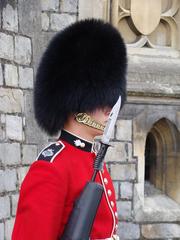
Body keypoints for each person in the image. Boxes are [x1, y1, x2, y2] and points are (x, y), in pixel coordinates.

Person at [12, 19, 127, 240]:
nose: (108, 109)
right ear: (75, 102)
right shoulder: (52, 168)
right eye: (101, 100)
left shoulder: (94, 160)